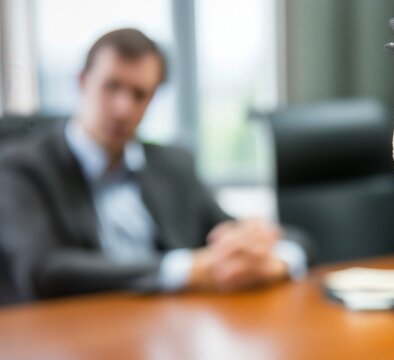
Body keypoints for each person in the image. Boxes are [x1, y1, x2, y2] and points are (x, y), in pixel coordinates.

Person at [0, 29, 311, 303]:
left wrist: (273, 259)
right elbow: (40, 270)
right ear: (82, 82)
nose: (123, 108)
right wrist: (183, 269)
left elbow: (278, 238)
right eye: (112, 86)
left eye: (139, 94)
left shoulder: (173, 164)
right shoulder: (21, 167)